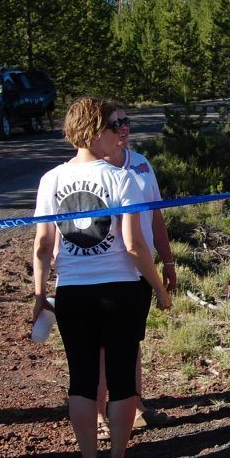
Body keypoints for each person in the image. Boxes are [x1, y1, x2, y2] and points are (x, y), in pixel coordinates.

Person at [32, 97, 171, 458]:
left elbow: (43, 244)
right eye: (114, 128)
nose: (120, 135)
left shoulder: (51, 180)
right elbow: (133, 245)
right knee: (123, 379)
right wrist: (159, 288)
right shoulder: (120, 178)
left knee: (82, 379)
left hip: (73, 290)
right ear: (93, 131)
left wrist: (40, 293)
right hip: (121, 288)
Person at [94, 104, 177, 439]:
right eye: (116, 124)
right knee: (99, 348)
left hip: (141, 267)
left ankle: (135, 404)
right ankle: (100, 416)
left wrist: (168, 261)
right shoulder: (89, 170)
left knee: (131, 342)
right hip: (105, 269)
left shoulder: (141, 163)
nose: (124, 129)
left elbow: (156, 217)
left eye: (126, 122)